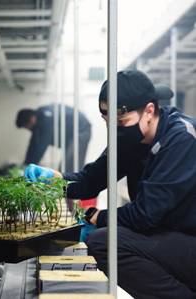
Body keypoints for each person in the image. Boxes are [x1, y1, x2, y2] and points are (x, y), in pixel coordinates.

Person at [24, 70, 196, 299]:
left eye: (121, 121)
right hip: (170, 234)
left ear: (149, 111)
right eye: (108, 122)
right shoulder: (131, 140)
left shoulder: (181, 138)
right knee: (107, 237)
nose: (114, 130)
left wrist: (96, 217)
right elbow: (90, 181)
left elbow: (145, 215)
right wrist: (55, 180)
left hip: (189, 237)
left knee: (105, 241)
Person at [15, 104, 91, 172]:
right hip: (71, 133)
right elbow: (33, 143)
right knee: (64, 167)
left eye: (26, 127)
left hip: (81, 129)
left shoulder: (46, 117)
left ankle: (75, 186)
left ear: (31, 120)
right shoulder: (39, 119)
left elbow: (42, 143)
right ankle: (68, 185)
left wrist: (29, 166)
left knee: (70, 165)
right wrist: (26, 164)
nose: (29, 130)